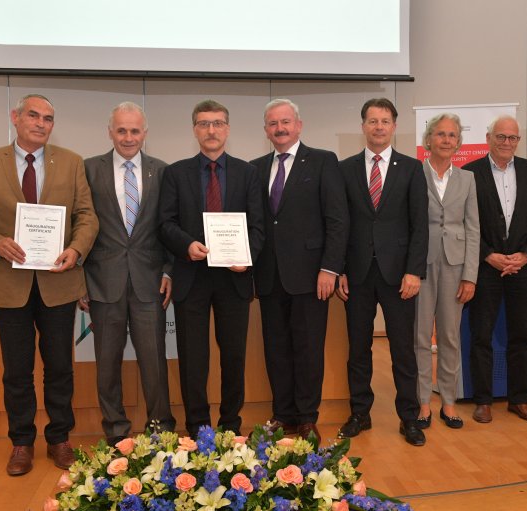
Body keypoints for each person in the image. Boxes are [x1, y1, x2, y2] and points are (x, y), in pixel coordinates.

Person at [0, 94, 99, 475]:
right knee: (17, 370)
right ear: (16, 118)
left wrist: (76, 248)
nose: (41, 123)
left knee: (59, 368)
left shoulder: (71, 162)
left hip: (59, 281)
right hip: (10, 284)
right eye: (33, 115)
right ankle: (21, 442)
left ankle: (59, 439)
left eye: (48, 118)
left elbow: (86, 217)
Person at [158, 99, 264, 438]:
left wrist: (245, 258)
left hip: (234, 278)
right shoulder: (176, 173)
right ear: (195, 130)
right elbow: (165, 223)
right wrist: (186, 245)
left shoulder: (248, 173)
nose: (211, 130)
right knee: (194, 360)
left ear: (228, 129)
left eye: (218, 123)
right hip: (192, 277)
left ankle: (231, 425)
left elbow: (258, 228)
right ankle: (198, 427)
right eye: (204, 124)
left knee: (233, 357)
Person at [250, 99, 348, 443]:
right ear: (266, 130)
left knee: (308, 348)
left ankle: (307, 417)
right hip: (268, 275)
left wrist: (330, 268)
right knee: (275, 348)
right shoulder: (255, 168)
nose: (280, 128)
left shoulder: (323, 161)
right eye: (273, 123)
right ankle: (282, 414)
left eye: (286, 122)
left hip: (311, 276)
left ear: (299, 125)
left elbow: (337, 219)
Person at [335, 98, 428, 446]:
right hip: (356, 274)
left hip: (399, 275)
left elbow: (420, 226)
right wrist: (340, 269)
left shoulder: (411, 168)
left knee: (403, 350)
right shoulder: (343, 169)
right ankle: (360, 413)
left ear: (394, 126)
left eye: (385, 121)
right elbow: (339, 225)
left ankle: (409, 417)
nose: (378, 127)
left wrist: (414, 271)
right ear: (363, 126)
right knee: (358, 349)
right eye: (372, 121)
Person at [82, 102, 175, 445]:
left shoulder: (162, 171)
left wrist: (169, 270)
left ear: (145, 134)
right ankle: (116, 431)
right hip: (102, 282)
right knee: (107, 363)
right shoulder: (88, 169)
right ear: (110, 132)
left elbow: (169, 227)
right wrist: (79, 279)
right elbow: (80, 224)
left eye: (135, 130)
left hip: (150, 281)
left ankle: (161, 429)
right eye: (121, 130)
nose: (128, 137)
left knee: (154, 362)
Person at [463, 115, 527, 423]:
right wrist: (489, 255)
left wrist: (525, 256)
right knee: (481, 335)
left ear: (519, 141)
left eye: (513, 138)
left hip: (523, 269)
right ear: (488, 138)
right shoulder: (470, 173)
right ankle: (483, 400)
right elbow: (466, 223)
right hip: (486, 269)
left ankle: (519, 398)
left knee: (521, 338)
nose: (507, 143)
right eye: (501, 137)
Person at [415, 113, 479, 430]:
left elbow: (473, 229)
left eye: (452, 135)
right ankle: (424, 402)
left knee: (451, 337)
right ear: (428, 140)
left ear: (458, 143)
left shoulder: (467, 179)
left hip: (456, 265)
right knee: (421, 336)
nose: (446, 140)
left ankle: (449, 403)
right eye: (440, 134)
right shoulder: (415, 174)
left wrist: (471, 275)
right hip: (421, 264)